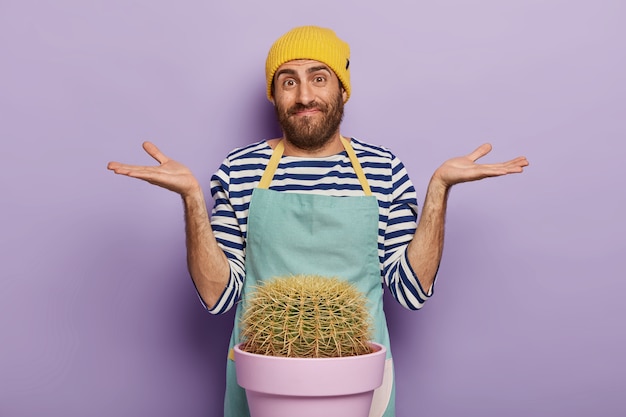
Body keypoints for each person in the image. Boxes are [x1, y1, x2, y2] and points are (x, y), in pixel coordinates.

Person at [107, 25, 529, 417]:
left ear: (343, 89)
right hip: (259, 379)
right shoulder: (239, 169)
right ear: (274, 95)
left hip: (358, 381)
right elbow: (220, 298)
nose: (304, 95)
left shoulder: (384, 170)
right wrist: (192, 200)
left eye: (319, 77)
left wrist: (439, 190)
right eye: (288, 81)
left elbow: (410, 291)